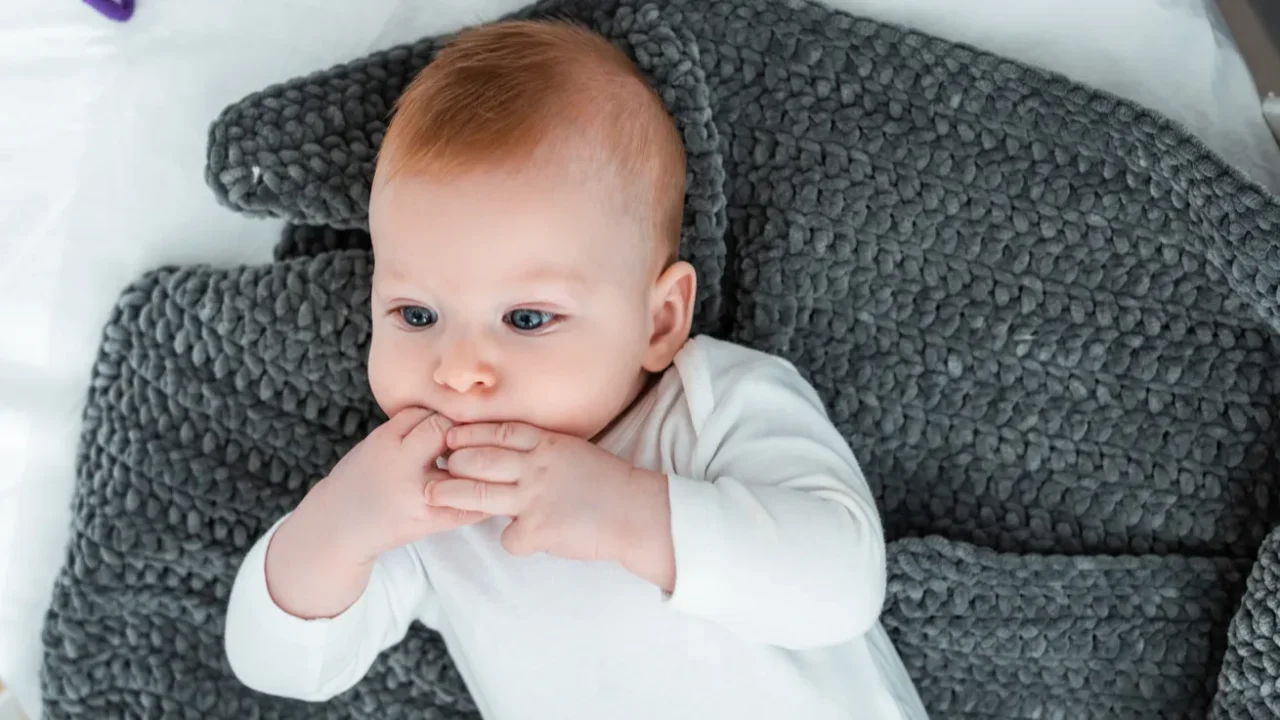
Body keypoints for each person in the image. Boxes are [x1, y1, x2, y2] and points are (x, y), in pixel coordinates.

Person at [223, 18, 928, 720]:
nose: (460, 369)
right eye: (416, 315)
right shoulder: (433, 503)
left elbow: (842, 586)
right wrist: (343, 522)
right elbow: (283, 666)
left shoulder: (711, 405)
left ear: (657, 321)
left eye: (526, 319)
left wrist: (630, 513)